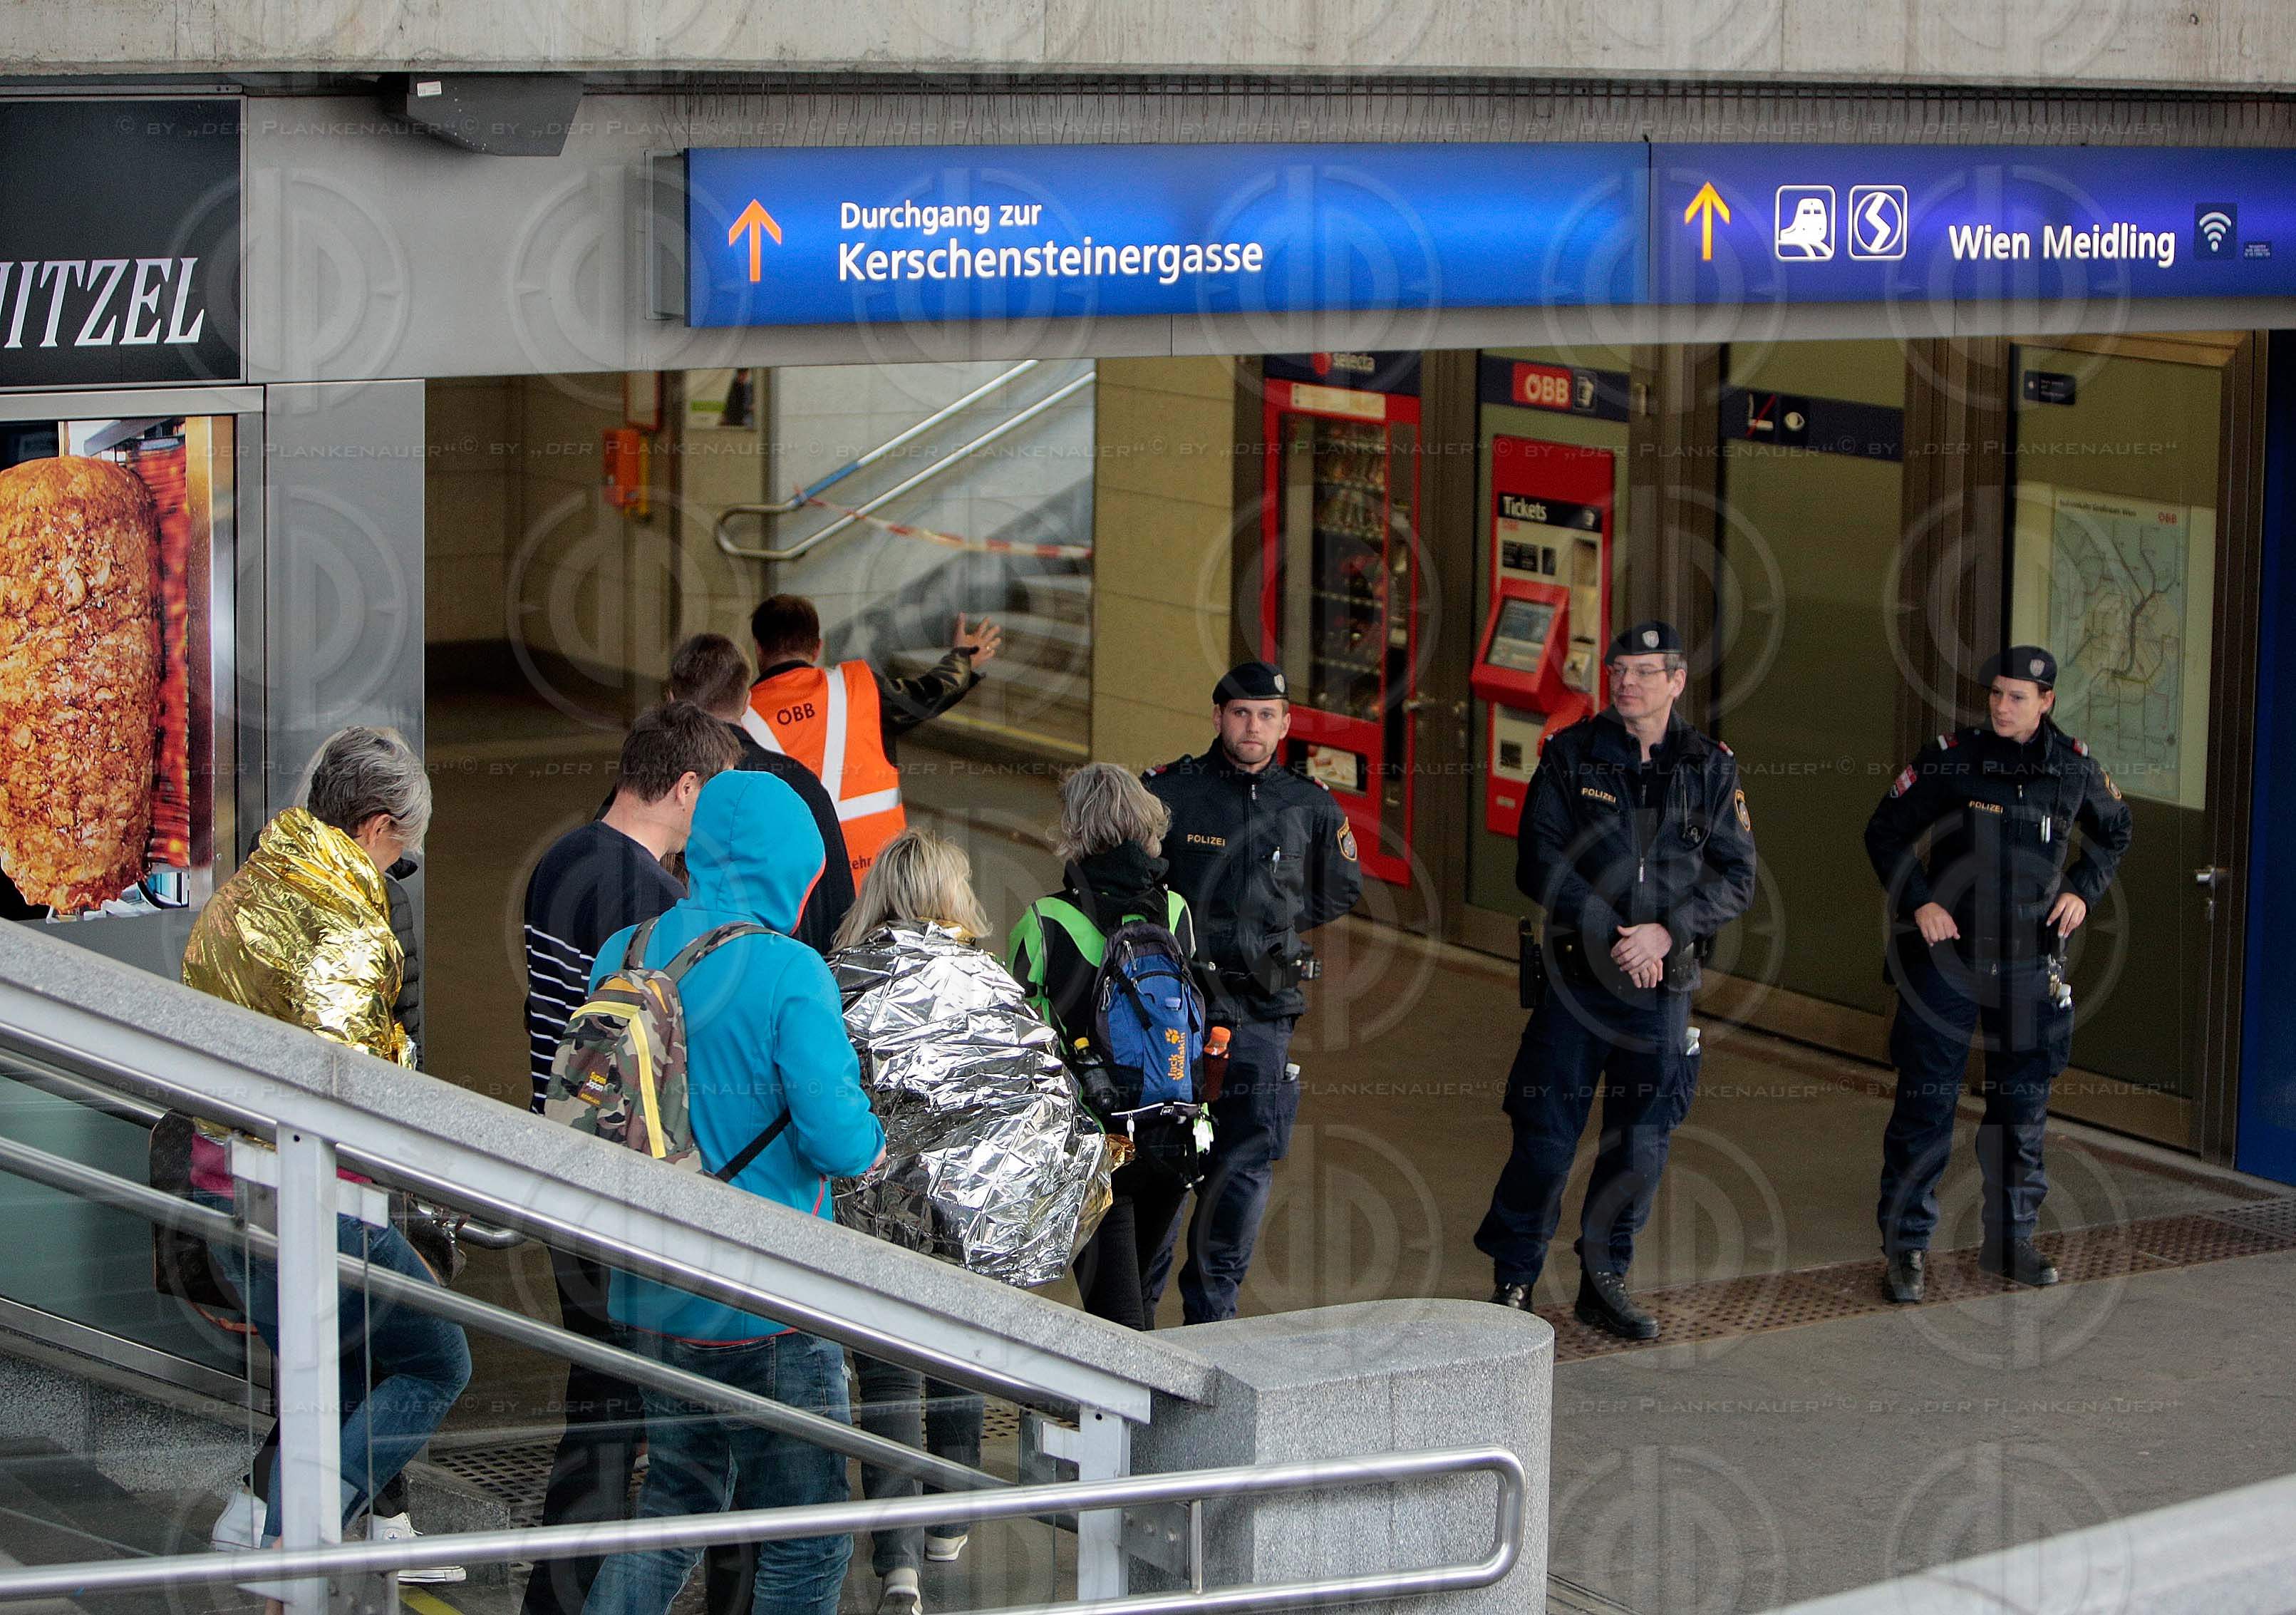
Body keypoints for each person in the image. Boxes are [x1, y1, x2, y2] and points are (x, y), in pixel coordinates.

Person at [582, 768, 886, 1615]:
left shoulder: (628, 950)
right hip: (767, 1304)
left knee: (674, 1505)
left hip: (648, 1287)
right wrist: (876, 1139)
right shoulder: (791, 970)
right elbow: (838, 1140)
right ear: (793, 868)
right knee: (807, 1535)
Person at [180, 726, 472, 1557]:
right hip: (312, 1198)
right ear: (379, 828)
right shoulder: (345, 916)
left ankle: (280, 1545)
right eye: (401, 854)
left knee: (331, 1383)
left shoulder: (251, 882)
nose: (396, 872)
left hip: (222, 1180)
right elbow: (348, 1085)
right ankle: (296, 1544)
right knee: (436, 1360)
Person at [829, 830, 1105, 1611]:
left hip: (868, 1221)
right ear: (952, 894)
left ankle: (898, 1563)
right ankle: (949, 1516)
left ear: (878, 889)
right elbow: (1044, 1097)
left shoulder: (839, 977)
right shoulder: (986, 979)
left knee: (885, 1380)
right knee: (957, 1360)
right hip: (964, 1224)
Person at [518, 702, 752, 1615]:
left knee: (598, 1412)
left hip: (564, 1158)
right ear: (687, 785)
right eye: (715, 797)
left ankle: (558, 1593)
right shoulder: (652, 904)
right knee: (639, 1423)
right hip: (626, 1186)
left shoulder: (562, 859)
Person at [1474, 623, 1757, 1340]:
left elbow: (1737, 876)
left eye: (1641, 671)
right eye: (1617, 668)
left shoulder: (1710, 768)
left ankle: (1606, 1280)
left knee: (1640, 1144)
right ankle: (1513, 1279)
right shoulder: (1572, 755)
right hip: (1577, 982)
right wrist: (1613, 930)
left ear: (1676, 680)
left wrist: (1667, 931)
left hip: (1659, 988)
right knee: (1543, 1138)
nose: (1624, 680)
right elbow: (1536, 862)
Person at [1864, 645, 2134, 1302]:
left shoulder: (2072, 769)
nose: (2002, 706)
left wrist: (2083, 889)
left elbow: (2116, 829)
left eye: (2018, 697)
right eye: (1996, 694)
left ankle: (2009, 1241)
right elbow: (1886, 831)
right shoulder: (1953, 758)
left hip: (2026, 965)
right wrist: (1920, 900)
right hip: (1948, 960)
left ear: (2046, 703)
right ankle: (1906, 1250)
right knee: (1926, 1105)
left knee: (2020, 1111)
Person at [1141, 662, 1362, 1325]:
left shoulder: (1309, 804)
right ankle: (1133, 1325)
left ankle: (1213, 1321)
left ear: (1287, 725)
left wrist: (1274, 926)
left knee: (1241, 1167)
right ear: (1217, 718)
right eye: (1241, 713)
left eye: (1268, 715)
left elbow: (1343, 884)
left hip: (1262, 1010)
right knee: (1161, 1162)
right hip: (1174, 1008)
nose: (1253, 727)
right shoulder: (1170, 793)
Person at [1010, 763, 1209, 1331]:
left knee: (1117, 1324)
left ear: (1074, 829)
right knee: (1135, 1305)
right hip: (1171, 1134)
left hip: (1096, 1146)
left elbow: (1017, 1036)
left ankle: (1121, 1419)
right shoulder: (1174, 911)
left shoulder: (1045, 920)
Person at [744, 594, 1003, 882]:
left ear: (758, 649)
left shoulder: (742, 717)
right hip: (878, 881)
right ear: (817, 648)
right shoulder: (858, 688)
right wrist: (962, 659)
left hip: (798, 890)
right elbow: (927, 694)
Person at [663, 631, 854, 954]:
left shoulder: (661, 786)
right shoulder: (803, 786)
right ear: (748, 701)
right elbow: (840, 911)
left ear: (671, 701)